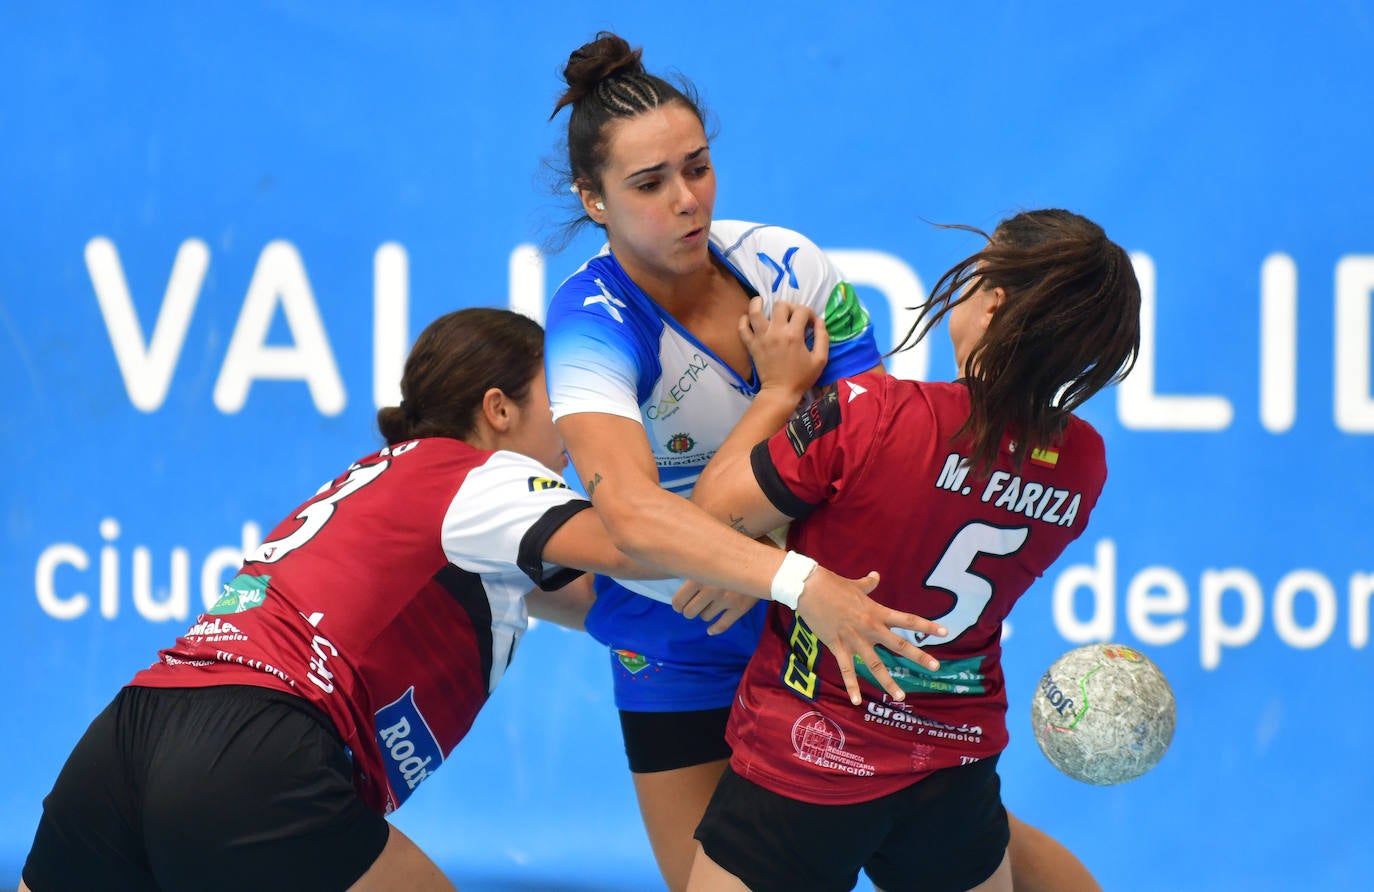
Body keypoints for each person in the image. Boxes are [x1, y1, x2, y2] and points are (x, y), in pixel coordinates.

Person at [18, 307, 942, 892]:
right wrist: (779, 400)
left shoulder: (406, 492)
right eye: (564, 404)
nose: (581, 431)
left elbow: (645, 596)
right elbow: (642, 535)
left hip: (133, 733)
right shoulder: (475, 476)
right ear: (499, 410)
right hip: (257, 752)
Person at [544, 31, 1108, 892]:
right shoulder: (590, 319)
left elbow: (875, 459)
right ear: (593, 199)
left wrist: (774, 572)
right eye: (650, 184)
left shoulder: (787, 262)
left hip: (824, 618)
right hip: (686, 633)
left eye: (697, 167)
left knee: (962, 839)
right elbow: (626, 507)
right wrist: (770, 522)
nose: (687, 199)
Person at [682, 208, 1143, 892]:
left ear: (992, 300)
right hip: (952, 773)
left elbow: (709, 518)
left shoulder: (870, 411)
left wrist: (779, 390)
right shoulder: (1084, 462)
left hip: (809, 759)